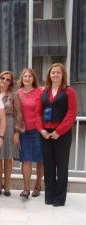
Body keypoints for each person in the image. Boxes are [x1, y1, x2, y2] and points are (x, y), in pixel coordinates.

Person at [36, 63, 77, 206]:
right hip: (45, 134)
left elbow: (71, 113)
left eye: (58, 73)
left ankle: (59, 199)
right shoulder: (44, 91)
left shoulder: (69, 91)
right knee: (48, 166)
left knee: (62, 166)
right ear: (49, 75)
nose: (55, 75)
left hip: (62, 134)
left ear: (63, 75)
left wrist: (59, 131)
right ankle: (49, 196)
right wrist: (41, 130)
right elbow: (38, 113)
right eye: (53, 72)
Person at [0, 71, 24, 197]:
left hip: (10, 125)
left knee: (7, 157)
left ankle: (7, 185)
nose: (4, 81)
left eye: (8, 79)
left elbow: (19, 114)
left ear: (10, 82)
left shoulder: (14, 95)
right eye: (2, 78)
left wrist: (17, 132)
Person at [17, 68, 44, 199]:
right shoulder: (19, 93)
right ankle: (26, 189)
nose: (27, 78)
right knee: (26, 159)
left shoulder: (41, 91)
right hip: (24, 131)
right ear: (22, 79)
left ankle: (38, 186)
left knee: (40, 160)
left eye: (30, 76)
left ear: (34, 78)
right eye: (25, 76)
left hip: (39, 130)